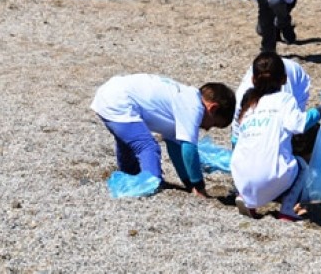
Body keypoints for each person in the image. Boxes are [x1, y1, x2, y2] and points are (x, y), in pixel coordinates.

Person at [230, 52, 321, 219]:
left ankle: (245, 197)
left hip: (240, 175)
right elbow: (299, 124)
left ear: (253, 80)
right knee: (301, 165)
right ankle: (287, 210)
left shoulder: (248, 103)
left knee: (251, 154)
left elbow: (236, 140)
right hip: (270, 176)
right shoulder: (285, 100)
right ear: (284, 79)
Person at [91, 74, 236, 196]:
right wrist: (199, 186)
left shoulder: (183, 100)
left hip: (110, 94)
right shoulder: (194, 106)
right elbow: (189, 150)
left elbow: (176, 149)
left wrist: (188, 184)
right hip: (118, 101)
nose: (208, 128)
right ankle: (150, 183)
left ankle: (131, 174)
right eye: (213, 124)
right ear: (213, 108)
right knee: (147, 147)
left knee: (129, 141)